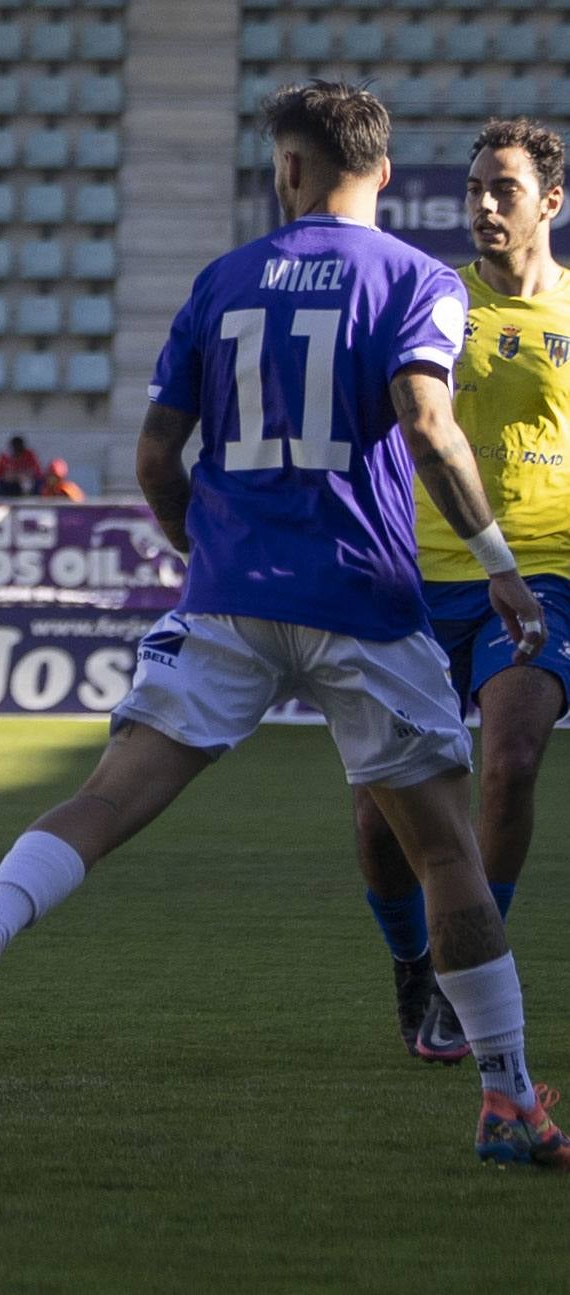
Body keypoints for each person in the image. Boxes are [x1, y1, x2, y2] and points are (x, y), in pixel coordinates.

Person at [0, 81, 568, 1168]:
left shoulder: (221, 280)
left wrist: (204, 550)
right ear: (381, 172)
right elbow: (428, 427)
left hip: (229, 598)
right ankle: (506, 1096)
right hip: (365, 602)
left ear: (283, 170)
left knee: (105, 798)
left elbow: (154, 458)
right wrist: (498, 569)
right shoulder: (420, 281)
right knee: (444, 851)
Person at [353, 118, 570, 1066]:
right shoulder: (436, 301)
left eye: (505, 190)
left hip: (544, 571)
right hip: (414, 575)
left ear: (551, 202)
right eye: (475, 188)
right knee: (379, 815)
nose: (482, 205)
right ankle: (413, 959)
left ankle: (464, 968)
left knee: (511, 759)